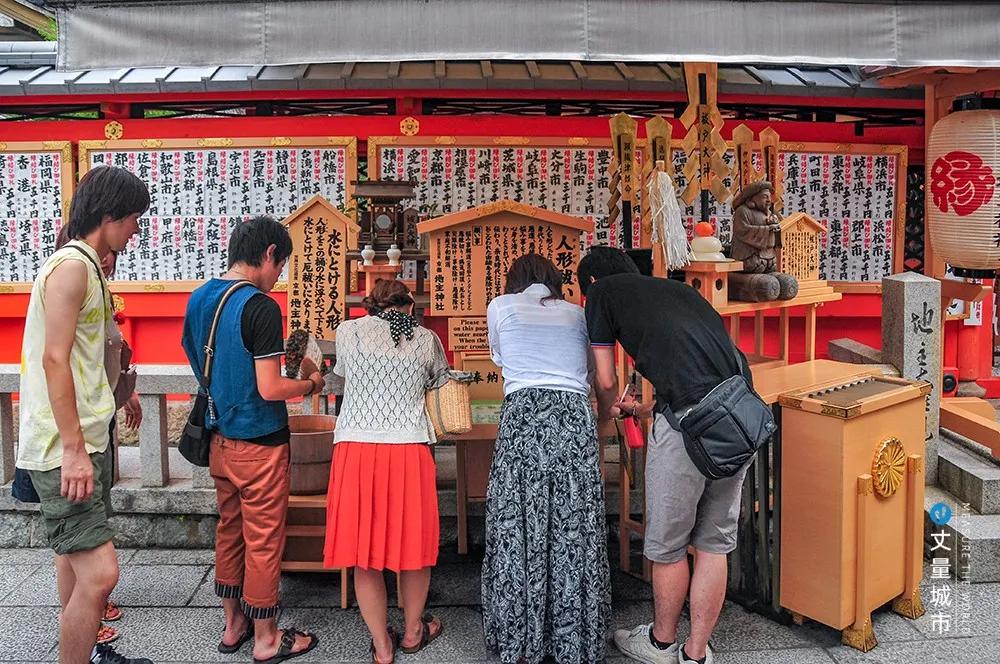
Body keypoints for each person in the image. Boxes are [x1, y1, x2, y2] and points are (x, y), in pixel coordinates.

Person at [578, 246, 753, 664]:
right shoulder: (683, 293)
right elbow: (702, 372)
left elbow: (605, 378)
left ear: (591, 284)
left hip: (689, 430)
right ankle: (695, 653)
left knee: (668, 547)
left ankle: (660, 643)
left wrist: (604, 417)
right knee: (713, 544)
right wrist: (647, 410)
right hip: (741, 418)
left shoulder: (603, 294)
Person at [16, 165, 152, 664]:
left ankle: (85, 653)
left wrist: (119, 395)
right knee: (101, 574)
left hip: (85, 437)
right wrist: (73, 450)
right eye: (133, 218)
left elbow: (85, 356)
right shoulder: (73, 266)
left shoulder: (88, 265)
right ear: (109, 214)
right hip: (64, 446)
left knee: (76, 564)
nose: (136, 230)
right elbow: (55, 358)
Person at [181, 216, 322, 663]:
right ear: (268, 255)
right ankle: (266, 637)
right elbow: (270, 387)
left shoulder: (201, 298)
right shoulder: (259, 306)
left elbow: (196, 359)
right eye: (280, 266)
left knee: (230, 531)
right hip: (260, 441)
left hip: (219, 439)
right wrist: (310, 385)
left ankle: (233, 624)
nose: (278, 275)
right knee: (263, 539)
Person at [481, 254, 611, 664]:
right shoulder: (579, 314)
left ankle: (522, 638)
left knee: (519, 520)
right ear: (557, 281)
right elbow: (592, 372)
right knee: (573, 522)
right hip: (573, 414)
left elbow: (501, 359)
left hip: (523, 413)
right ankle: (574, 640)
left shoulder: (500, 307)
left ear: (513, 279)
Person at [323, 278, 449, 664]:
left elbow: (341, 374)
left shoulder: (349, 332)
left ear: (370, 306)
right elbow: (441, 381)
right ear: (409, 307)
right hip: (408, 448)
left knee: (365, 554)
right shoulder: (426, 339)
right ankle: (413, 631)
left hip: (357, 449)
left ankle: (382, 646)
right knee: (413, 548)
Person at [53, 227, 143, 647]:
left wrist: (127, 390)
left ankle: (84, 615)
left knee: (85, 535)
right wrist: (72, 446)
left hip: (95, 421)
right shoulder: (68, 279)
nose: (109, 258)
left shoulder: (96, 286)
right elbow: (56, 360)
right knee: (84, 550)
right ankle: (82, 615)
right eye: (103, 251)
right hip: (72, 434)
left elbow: (106, 352)